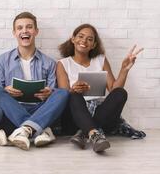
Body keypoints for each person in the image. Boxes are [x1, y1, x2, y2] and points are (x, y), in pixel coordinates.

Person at [56, 23, 144, 153]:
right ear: (73, 39)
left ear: (94, 45)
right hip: (74, 118)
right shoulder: (63, 64)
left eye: (90, 39)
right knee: (73, 95)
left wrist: (124, 69)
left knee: (120, 93)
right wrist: (73, 90)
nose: (84, 41)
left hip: (101, 115)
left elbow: (114, 90)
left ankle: (86, 132)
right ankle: (93, 132)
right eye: (80, 36)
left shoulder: (100, 60)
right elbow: (62, 96)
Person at [0, 12, 69, 151]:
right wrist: (6, 91)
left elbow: (53, 94)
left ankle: (25, 130)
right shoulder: (1, 61)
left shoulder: (50, 63)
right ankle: (41, 130)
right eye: (20, 28)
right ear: (14, 33)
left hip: (40, 108)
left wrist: (49, 92)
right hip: (12, 110)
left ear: (36, 31)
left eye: (29, 27)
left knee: (62, 93)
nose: (24, 31)